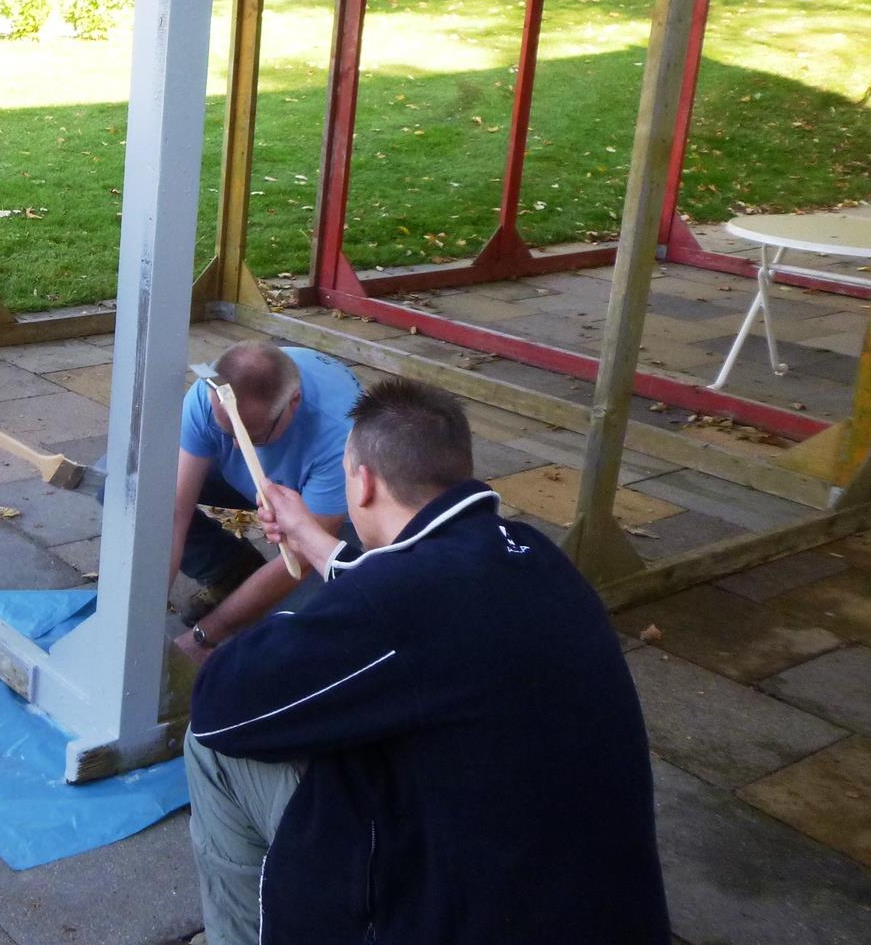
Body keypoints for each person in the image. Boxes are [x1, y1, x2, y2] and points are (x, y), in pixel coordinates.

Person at [184, 378, 669, 945]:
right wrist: (310, 539)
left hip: (462, 919)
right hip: (605, 911)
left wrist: (281, 625)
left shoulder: (396, 603)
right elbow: (411, 601)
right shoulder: (533, 551)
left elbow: (221, 706)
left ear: (363, 482)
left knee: (210, 749)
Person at [170, 341, 362, 663]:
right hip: (249, 484)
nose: (236, 445)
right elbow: (175, 515)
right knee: (133, 489)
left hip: (323, 512)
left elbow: (300, 555)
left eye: (252, 437)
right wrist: (142, 617)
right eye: (226, 431)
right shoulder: (211, 394)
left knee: (281, 636)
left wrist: (204, 636)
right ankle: (232, 571)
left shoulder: (341, 435)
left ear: (293, 403)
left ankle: (246, 605)